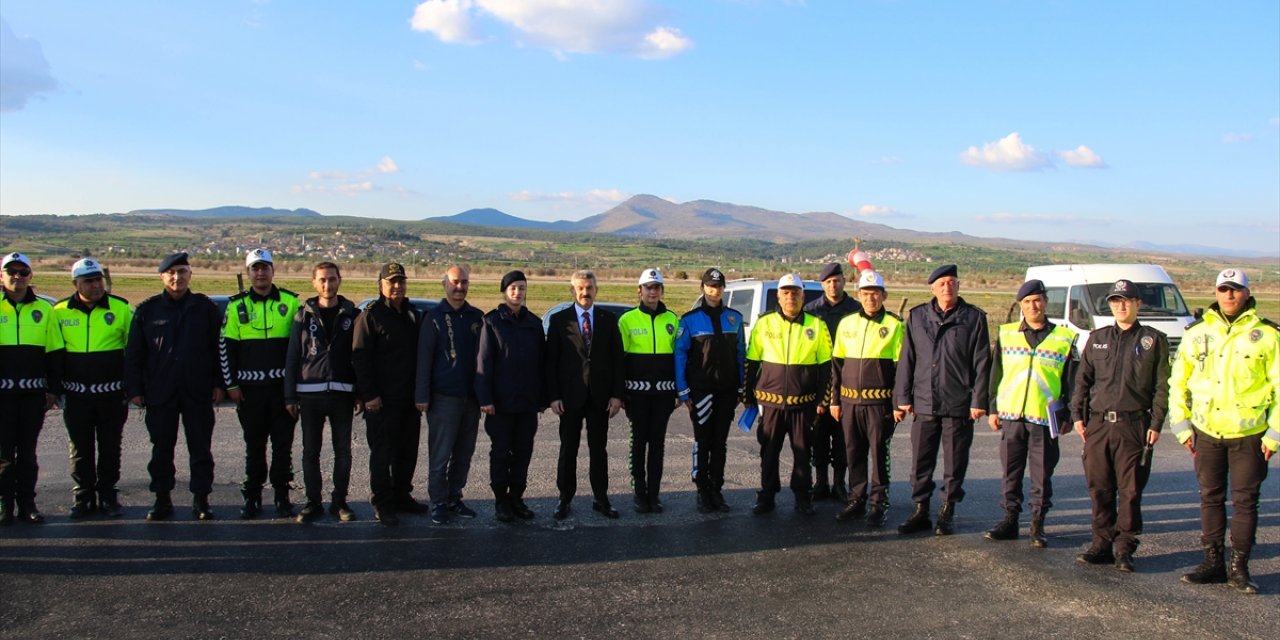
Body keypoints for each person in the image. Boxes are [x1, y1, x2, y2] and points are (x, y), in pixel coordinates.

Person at [1170, 268, 1278, 594]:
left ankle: (1239, 568)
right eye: (1223, 290)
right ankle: (1213, 562)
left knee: (1246, 502)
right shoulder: (1196, 333)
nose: (1229, 295)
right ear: (1215, 293)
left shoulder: (1268, 336)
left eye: (1235, 290)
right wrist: (1182, 427)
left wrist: (1274, 434)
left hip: (1250, 436)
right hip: (1206, 433)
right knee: (1210, 498)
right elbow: (1179, 383)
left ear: (1247, 293)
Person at [1070, 279, 1169, 572]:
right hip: (1099, 425)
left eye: (1126, 300)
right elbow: (1082, 380)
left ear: (1138, 304)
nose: (1121, 306)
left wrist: (1157, 422)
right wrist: (1078, 415)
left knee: (1130, 490)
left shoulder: (1153, 340)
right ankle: (1101, 544)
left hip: (1133, 424)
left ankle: (1124, 547)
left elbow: (1163, 386)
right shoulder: (1098, 337)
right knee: (1099, 487)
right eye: (1115, 301)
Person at [125, 252, 225, 521]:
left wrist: (218, 383)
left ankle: (201, 500)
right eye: (171, 272)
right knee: (161, 450)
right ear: (162, 276)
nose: (176, 277)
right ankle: (162, 499)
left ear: (190, 275)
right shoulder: (147, 311)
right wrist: (135, 389)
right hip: (161, 392)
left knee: (201, 449)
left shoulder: (205, 309)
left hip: (197, 390)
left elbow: (218, 349)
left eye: (182, 271)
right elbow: (134, 354)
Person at [894, 264, 991, 536]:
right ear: (932, 288)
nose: (947, 287)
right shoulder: (917, 316)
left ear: (958, 286)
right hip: (924, 401)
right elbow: (907, 359)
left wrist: (979, 399)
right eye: (942, 283)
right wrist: (903, 396)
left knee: (955, 461)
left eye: (952, 282)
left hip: (958, 403)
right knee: (920, 461)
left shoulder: (973, 318)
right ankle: (920, 510)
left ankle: (947, 511)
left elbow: (982, 361)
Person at [983, 280, 1078, 548]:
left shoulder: (1063, 338)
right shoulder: (1007, 334)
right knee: (1010, 473)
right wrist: (993, 408)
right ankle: (1009, 520)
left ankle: (1038, 525)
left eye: (1037, 300)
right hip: (1011, 416)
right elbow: (996, 374)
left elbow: (1072, 381)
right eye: (1027, 302)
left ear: (1046, 302)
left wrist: (1069, 414)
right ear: (1021, 305)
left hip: (1044, 420)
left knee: (1041, 476)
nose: (1033, 306)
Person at [220, 248, 301, 519]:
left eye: (265, 267)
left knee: (282, 447)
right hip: (249, 393)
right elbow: (226, 348)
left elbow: (301, 348)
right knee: (254, 448)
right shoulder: (236, 306)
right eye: (255, 268)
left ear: (273, 271)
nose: (260, 272)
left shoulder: (290, 303)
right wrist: (231, 385)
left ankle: (282, 496)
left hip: (281, 392)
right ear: (248, 273)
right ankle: (252, 497)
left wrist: (294, 390)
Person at [743, 273, 833, 516]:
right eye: (786, 292)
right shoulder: (764, 323)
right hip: (771, 403)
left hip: (803, 404)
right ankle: (767, 495)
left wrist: (823, 400)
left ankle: (803, 497)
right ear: (779, 296)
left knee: (803, 453)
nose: (790, 297)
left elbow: (827, 367)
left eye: (795, 293)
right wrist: (748, 395)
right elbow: (752, 361)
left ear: (803, 297)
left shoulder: (816, 325)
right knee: (769, 451)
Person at [52, 258, 133, 519]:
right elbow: (53, 354)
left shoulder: (120, 309)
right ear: (76, 283)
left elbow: (134, 353)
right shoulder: (59, 311)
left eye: (98, 279)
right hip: (77, 396)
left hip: (111, 395)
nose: (96, 285)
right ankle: (83, 496)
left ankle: (108, 496)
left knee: (110, 448)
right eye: (88, 281)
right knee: (80, 448)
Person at [284, 261, 361, 523]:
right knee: (310, 452)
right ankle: (313, 502)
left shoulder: (353, 314)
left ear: (340, 280)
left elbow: (359, 357)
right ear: (314, 283)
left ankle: (339, 502)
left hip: (342, 395)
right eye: (322, 280)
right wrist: (290, 396)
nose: (327, 284)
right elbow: (293, 358)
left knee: (343, 452)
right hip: (309, 395)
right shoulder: (301, 316)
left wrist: (360, 392)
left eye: (332, 279)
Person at [546, 270, 625, 520]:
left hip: (600, 397)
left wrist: (617, 395)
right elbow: (551, 362)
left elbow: (618, 360)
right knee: (568, 449)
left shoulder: (608, 319)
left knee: (598, 449)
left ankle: (601, 498)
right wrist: (554, 395)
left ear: (596, 290)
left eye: (589, 287)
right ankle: (564, 498)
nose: (585, 292)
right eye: (580, 288)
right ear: (572, 291)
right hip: (569, 397)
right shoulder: (560, 321)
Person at [352, 262, 425, 526]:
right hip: (381, 401)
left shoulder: (412, 315)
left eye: (401, 282)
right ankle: (382, 503)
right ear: (381, 285)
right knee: (382, 454)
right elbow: (360, 358)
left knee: (407, 452)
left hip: (408, 399)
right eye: (391, 282)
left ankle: (401, 495)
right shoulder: (370, 316)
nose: (397, 286)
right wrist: (369, 394)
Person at [829, 270, 902, 526]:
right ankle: (856, 499)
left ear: (883, 295)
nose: (871, 298)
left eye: (875, 293)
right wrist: (834, 400)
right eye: (866, 293)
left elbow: (901, 370)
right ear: (858, 295)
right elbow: (837, 365)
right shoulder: (847, 323)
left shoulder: (894, 325)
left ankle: (878, 504)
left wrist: (897, 403)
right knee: (853, 453)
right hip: (849, 403)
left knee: (879, 455)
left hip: (879, 404)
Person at [475, 271, 546, 523]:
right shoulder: (492, 322)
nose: (517, 292)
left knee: (523, 452)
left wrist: (542, 399)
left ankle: (517, 498)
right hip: (500, 404)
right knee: (501, 453)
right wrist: (485, 399)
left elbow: (542, 364)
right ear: (504, 291)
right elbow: (483, 363)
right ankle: (500, 501)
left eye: (522, 288)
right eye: (513, 288)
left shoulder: (534, 324)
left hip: (527, 403)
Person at [415, 265, 484, 524]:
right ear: (445, 283)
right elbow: (424, 360)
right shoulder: (433, 318)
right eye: (455, 282)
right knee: (440, 454)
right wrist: (421, 396)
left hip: (471, 399)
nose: (460, 287)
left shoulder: (477, 318)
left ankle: (455, 498)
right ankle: (438, 502)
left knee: (464, 454)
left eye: (464, 282)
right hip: (443, 398)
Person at [0, 252, 64, 525]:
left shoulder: (44, 310)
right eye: (11, 271)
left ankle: (28, 504)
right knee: (3, 456)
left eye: (22, 272)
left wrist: (53, 389)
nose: (17, 276)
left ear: (30, 276)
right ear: (1, 276)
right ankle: (5, 506)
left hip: (31, 396)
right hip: (1, 396)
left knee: (27, 453)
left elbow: (55, 353)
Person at [675, 267, 745, 513]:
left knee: (720, 443)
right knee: (703, 442)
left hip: (727, 393)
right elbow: (680, 356)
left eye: (719, 286)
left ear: (723, 288)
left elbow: (741, 355)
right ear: (703, 288)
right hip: (701, 393)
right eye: (710, 286)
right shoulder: (689, 320)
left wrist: (741, 387)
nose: (715, 291)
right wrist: (683, 391)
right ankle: (702, 490)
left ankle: (717, 489)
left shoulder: (734, 318)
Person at [618, 268, 679, 514]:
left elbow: (679, 359)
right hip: (637, 396)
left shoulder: (673, 320)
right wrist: (620, 393)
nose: (652, 292)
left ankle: (654, 494)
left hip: (664, 396)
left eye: (656, 288)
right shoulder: (627, 320)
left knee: (658, 445)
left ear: (661, 291)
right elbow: (619, 360)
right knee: (638, 443)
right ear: (639, 290)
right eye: (648, 287)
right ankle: (639, 493)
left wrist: (678, 392)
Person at [803, 262, 861, 502]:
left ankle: (839, 483)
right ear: (822, 284)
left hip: (847, 381)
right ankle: (821, 482)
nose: (833, 285)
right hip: (819, 384)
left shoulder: (856, 309)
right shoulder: (811, 311)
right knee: (818, 437)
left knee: (842, 438)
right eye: (828, 281)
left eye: (836, 280)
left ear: (844, 282)